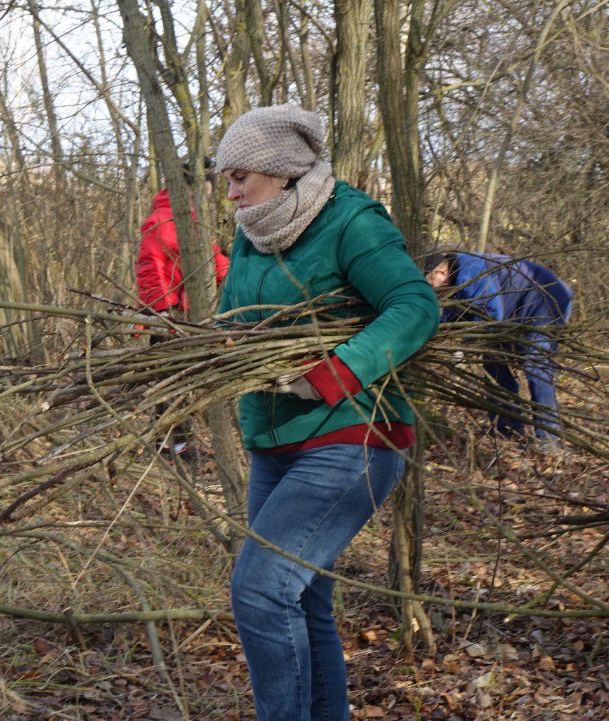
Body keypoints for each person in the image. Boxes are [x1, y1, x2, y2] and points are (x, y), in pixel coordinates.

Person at [215, 104, 439, 720]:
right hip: (275, 437)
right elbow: (231, 316)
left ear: (283, 171)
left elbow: (414, 304)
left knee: (261, 592)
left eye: (241, 177)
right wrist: (214, 347)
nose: (231, 192)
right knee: (304, 601)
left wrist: (334, 373)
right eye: (226, 179)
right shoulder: (253, 231)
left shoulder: (350, 220)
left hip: (354, 433)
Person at [424, 250, 573, 442]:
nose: (431, 290)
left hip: (547, 301)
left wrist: (464, 346)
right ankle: (508, 429)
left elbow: (493, 314)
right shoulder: (452, 282)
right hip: (514, 313)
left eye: (429, 283)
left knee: (536, 367)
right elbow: (454, 317)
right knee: (493, 363)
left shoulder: (470, 272)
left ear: (441, 274)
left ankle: (549, 439)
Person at [136, 158, 230, 456]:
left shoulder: (190, 221)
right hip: (169, 315)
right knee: (170, 377)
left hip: (188, 314)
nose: (211, 195)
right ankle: (170, 444)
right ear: (191, 187)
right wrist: (161, 311)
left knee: (184, 376)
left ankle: (179, 441)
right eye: (207, 188)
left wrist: (244, 275)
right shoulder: (164, 218)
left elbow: (213, 261)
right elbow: (150, 266)